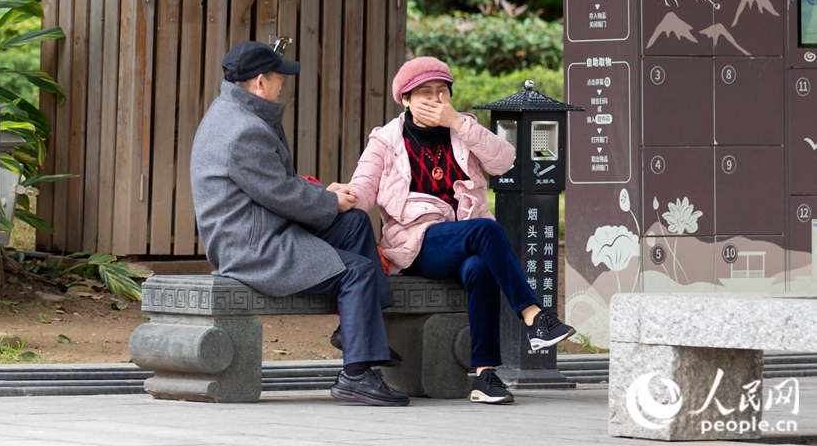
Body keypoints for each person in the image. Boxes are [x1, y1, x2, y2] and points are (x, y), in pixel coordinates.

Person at [190, 40, 408, 407]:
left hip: (260, 226)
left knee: (354, 221)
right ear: (260, 82)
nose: (283, 85)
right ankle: (355, 376)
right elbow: (280, 193)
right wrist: (328, 200)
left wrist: (326, 195)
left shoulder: (232, 111)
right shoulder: (244, 129)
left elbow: (274, 186)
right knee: (357, 272)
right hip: (252, 246)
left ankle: (355, 331)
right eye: (279, 78)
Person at [346, 56, 575, 405]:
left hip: (465, 241)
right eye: (424, 92)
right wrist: (342, 197)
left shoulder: (463, 130)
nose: (435, 99)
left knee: (480, 267)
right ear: (405, 99)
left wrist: (458, 122)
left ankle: (484, 375)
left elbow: (504, 161)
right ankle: (534, 316)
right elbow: (363, 188)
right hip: (416, 244)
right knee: (485, 229)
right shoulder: (386, 141)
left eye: (442, 91)